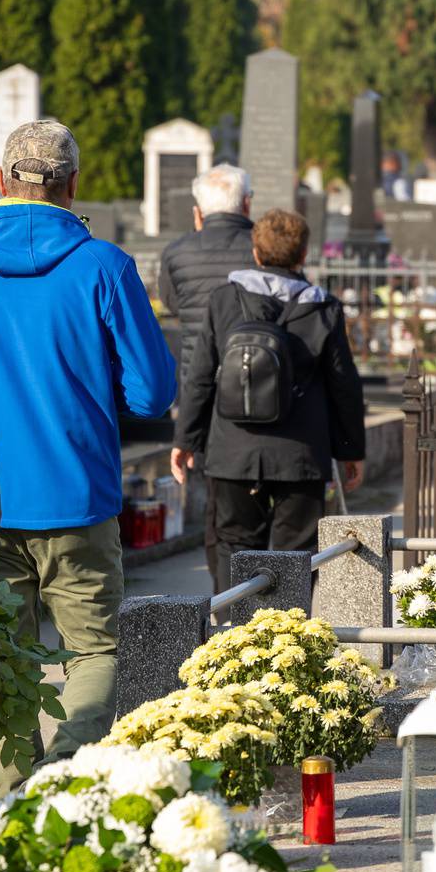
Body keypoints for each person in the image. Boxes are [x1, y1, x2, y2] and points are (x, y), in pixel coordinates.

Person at [0, 120, 176, 792]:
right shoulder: (105, 266)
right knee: (93, 652)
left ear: (2, 180)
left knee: (1, 660)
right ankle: (64, 775)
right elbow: (153, 393)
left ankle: (14, 795)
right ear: (72, 185)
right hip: (76, 496)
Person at [176, 209, 365, 592]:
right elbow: (343, 384)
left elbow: (200, 376)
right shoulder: (324, 307)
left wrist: (186, 440)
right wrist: (350, 451)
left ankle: (235, 635)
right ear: (304, 254)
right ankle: (288, 642)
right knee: (297, 555)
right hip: (301, 454)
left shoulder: (224, 299)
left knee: (233, 545)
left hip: (233, 449)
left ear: (256, 251)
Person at [160, 166, 254, 594]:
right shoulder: (261, 249)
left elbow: (173, 303)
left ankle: (227, 594)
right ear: (247, 205)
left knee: (220, 506)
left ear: (198, 214)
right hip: (260, 386)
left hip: (205, 390)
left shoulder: (178, 253)